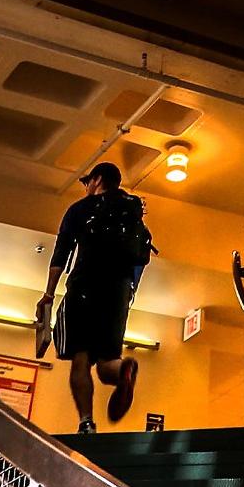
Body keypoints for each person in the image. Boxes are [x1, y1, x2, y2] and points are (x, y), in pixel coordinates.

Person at [39, 161, 154, 433]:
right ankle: (123, 368)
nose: (87, 187)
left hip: (84, 289)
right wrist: (126, 292)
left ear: (98, 179)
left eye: (88, 181)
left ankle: (86, 423)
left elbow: (62, 252)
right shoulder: (132, 214)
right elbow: (140, 259)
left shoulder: (81, 209)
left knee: (81, 358)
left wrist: (48, 293)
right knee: (105, 366)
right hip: (118, 293)